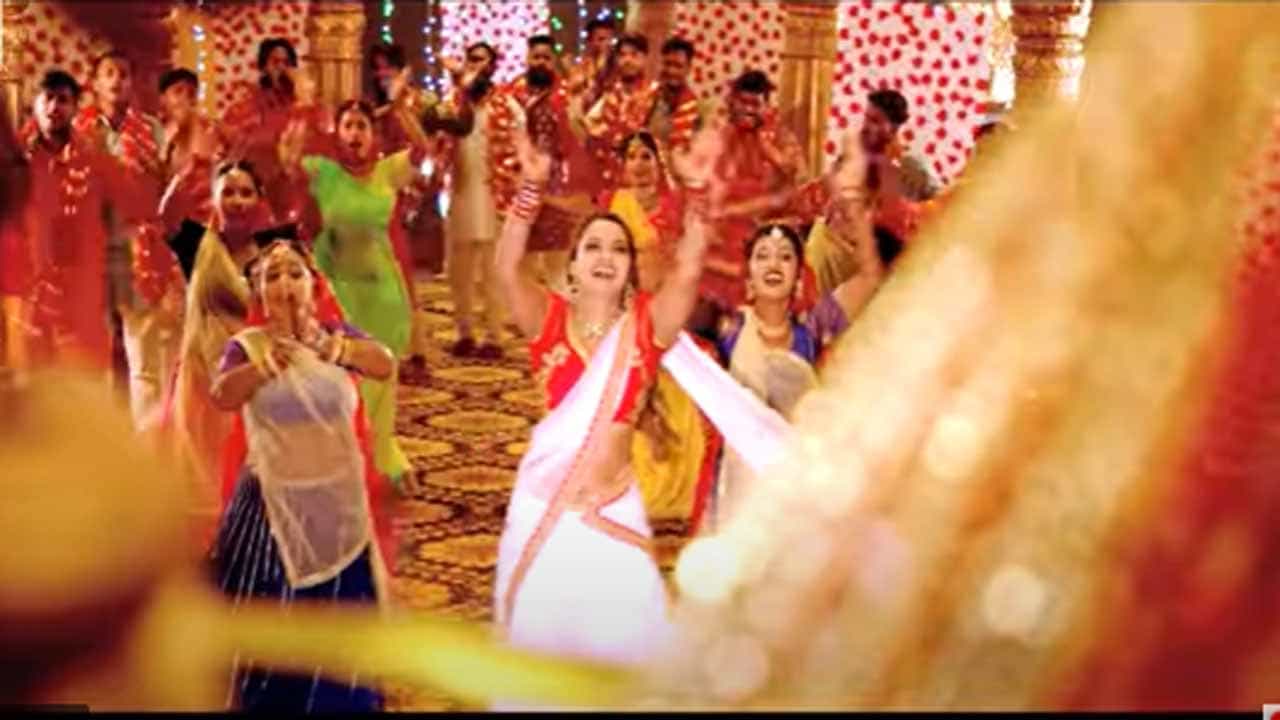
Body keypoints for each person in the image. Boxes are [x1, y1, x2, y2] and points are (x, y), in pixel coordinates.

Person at [207, 238, 396, 712]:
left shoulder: (335, 336)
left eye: (295, 273)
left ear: (314, 283)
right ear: (257, 291)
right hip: (270, 513)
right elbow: (222, 394)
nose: (285, 284)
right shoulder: (247, 346)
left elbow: (384, 364)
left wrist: (335, 348)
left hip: (337, 508)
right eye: (272, 276)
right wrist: (264, 367)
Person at [278, 98, 435, 487]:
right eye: (347, 125)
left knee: (381, 380)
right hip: (337, 293)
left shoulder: (388, 171)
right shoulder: (325, 173)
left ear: (373, 134)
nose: (354, 133)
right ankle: (341, 457)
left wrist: (400, 107)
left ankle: (382, 456)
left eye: (362, 125)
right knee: (339, 378)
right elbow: (288, 163)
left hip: (383, 293)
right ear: (338, 133)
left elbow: (423, 149)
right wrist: (299, 119)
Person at [598, 131, 723, 533]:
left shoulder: (676, 207)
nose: (638, 165)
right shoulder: (615, 206)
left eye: (646, 156)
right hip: (627, 317)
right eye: (631, 157)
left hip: (672, 318)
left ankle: (680, 483)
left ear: (659, 163)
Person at [14, 69, 162, 375]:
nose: (54, 107)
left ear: (75, 107)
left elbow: (137, 207)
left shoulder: (95, 158)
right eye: (48, 98)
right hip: (29, 289)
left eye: (63, 100)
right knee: (32, 382)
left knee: (86, 378)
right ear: (34, 103)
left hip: (83, 290)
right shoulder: (17, 162)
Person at [161, 161, 278, 540]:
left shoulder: (272, 253)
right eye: (228, 192)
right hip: (202, 385)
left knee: (249, 473)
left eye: (246, 192)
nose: (237, 201)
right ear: (213, 199)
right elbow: (166, 220)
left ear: (259, 199)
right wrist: (180, 178)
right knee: (203, 479)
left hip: (252, 379)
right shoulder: (198, 245)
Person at [75, 50, 181, 429]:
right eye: (109, 73)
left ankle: (147, 440)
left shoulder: (152, 130)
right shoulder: (78, 130)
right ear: (95, 82)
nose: (116, 81)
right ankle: (95, 440)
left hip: (139, 250)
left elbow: (168, 186)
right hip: (90, 253)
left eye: (123, 74)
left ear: (133, 82)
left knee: (145, 356)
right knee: (92, 354)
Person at [434, 42, 508, 359]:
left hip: (495, 198)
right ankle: (464, 333)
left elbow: (518, 145)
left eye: (480, 60)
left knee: (493, 274)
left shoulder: (505, 104)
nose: (474, 66)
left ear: (492, 66)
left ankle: (494, 336)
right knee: (459, 273)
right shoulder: (453, 103)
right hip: (461, 195)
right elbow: (437, 142)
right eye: (470, 60)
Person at [581, 33, 658, 189]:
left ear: (645, 58)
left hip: (644, 177)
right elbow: (589, 126)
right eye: (622, 55)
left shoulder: (654, 93)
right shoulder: (610, 94)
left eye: (634, 55)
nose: (627, 60)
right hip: (609, 177)